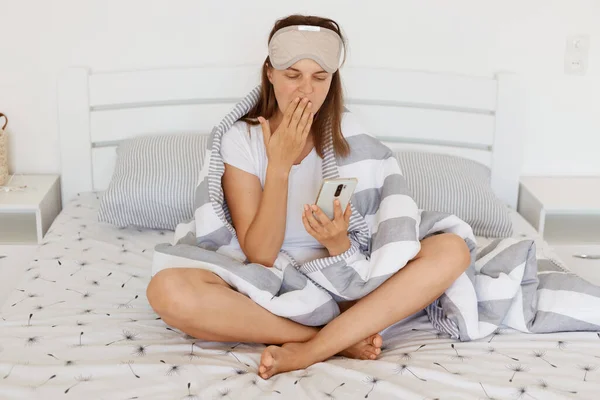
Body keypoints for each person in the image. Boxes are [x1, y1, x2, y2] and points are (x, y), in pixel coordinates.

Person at [146, 14, 471, 380]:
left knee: (451, 249)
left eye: (320, 78)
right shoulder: (243, 139)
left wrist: (338, 243)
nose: (306, 90)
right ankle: (331, 339)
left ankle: (313, 350)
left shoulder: (351, 136)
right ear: (270, 74)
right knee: (168, 290)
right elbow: (259, 254)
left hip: (347, 283)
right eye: (292, 75)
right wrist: (279, 165)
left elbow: (373, 237)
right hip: (271, 284)